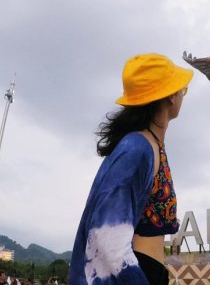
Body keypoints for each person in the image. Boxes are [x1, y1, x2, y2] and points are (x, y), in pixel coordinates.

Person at [69, 53, 193, 285]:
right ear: (169, 97)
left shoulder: (150, 144)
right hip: (136, 272)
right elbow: (108, 234)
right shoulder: (136, 148)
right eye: (182, 89)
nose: (182, 95)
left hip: (148, 270)